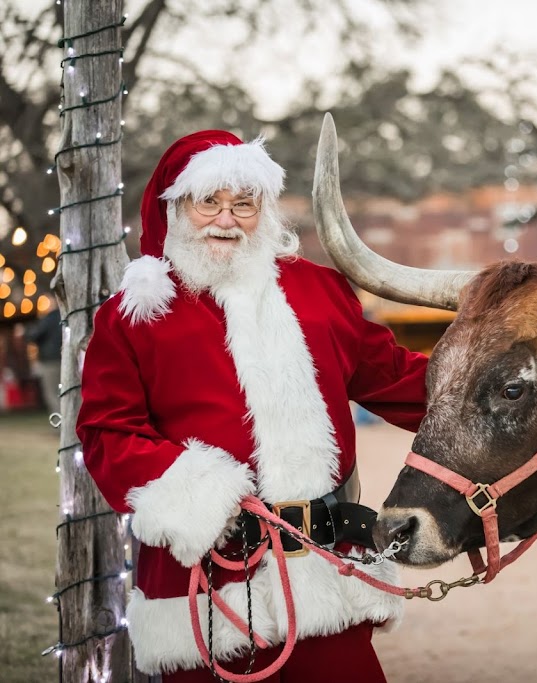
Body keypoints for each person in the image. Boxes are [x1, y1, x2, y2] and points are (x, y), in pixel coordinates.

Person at [77, 130, 429, 681]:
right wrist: (205, 494)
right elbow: (107, 434)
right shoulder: (133, 315)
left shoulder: (321, 292)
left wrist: (512, 385)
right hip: (206, 586)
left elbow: (398, 379)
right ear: (173, 207)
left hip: (327, 566)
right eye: (208, 202)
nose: (227, 219)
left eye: (244, 204)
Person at [27, 308, 62, 415]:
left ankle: (61, 424)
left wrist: (26, 331)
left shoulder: (49, 317)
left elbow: (34, 335)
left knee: (52, 393)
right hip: (64, 357)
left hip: (50, 361)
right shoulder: (65, 315)